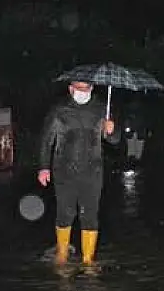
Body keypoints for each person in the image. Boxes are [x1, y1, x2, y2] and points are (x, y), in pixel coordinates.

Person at [37, 80, 120, 266]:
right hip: (63, 171)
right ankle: (62, 253)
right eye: (79, 88)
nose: (83, 91)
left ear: (92, 88)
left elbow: (114, 140)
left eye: (86, 87)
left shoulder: (101, 109)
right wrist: (43, 167)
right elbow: (46, 140)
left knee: (90, 215)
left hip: (93, 171)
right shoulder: (59, 110)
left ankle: (88, 260)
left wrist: (112, 131)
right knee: (65, 213)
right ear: (70, 88)